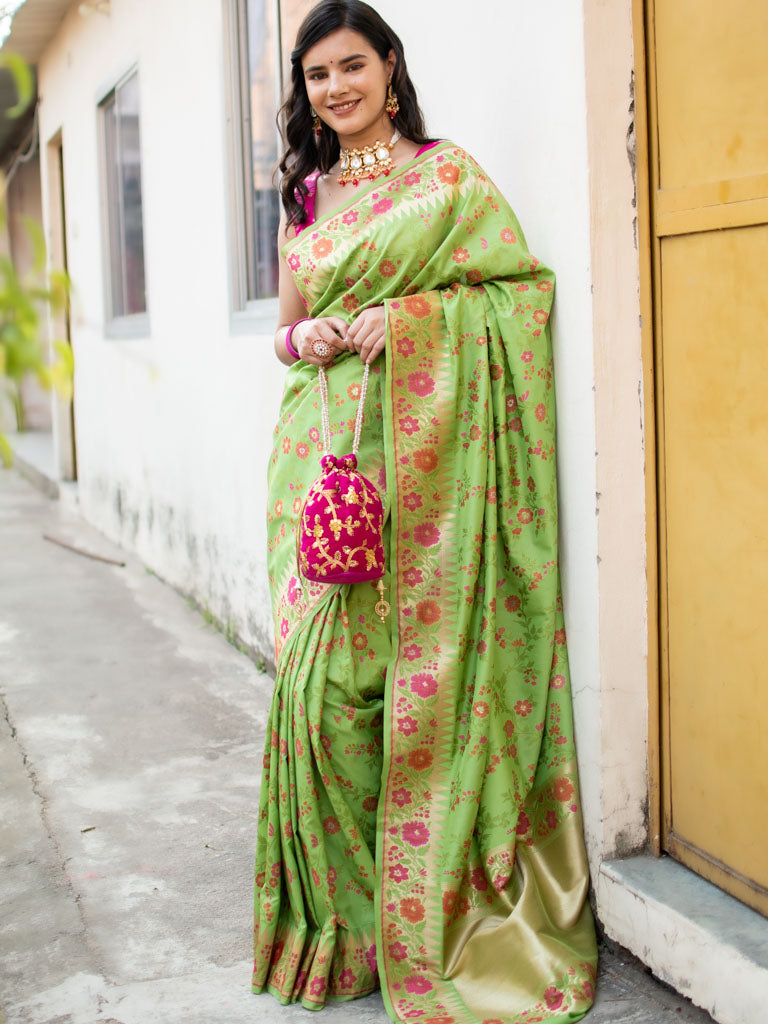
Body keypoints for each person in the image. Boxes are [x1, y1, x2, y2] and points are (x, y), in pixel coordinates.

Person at [252, 2, 598, 1021]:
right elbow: (284, 331)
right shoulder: (306, 197)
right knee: (327, 694)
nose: (336, 89)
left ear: (390, 68)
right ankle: (349, 929)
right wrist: (307, 340)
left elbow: (517, 297)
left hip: (432, 470)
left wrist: (400, 324)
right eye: (317, 77)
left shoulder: (447, 180)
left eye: (352, 67)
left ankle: (432, 909)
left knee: (424, 685)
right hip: (322, 463)